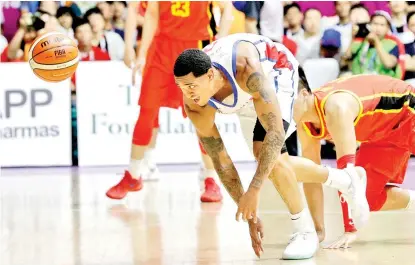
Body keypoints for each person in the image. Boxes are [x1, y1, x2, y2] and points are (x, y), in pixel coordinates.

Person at [173, 33, 370, 260]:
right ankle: (346, 180)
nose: (187, 94)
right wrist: (249, 215)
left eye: (190, 86)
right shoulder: (195, 105)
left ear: (209, 75)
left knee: (269, 154)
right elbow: (221, 160)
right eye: (181, 87)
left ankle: (304, 231)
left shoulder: (245, 68)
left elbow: (275, 135)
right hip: (247, 96)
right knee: (267, 159)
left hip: (276, 73)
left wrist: (255, 190)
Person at [106, 1, 233, 202]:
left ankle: (210, 179)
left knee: (201, 118)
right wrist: (142, 54)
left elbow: (228, 11)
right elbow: (152, 15)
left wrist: (220, 43)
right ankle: (133, 175)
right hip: (161, 49)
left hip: (196, 48)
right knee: (147, 112)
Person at [293, 74, 415, 249]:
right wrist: (319, 231)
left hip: (408, 111)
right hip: (381, 133)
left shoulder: (336, 107)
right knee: (367, 198)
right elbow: (312, 176)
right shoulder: (304, 121)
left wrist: (350, 229)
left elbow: (347, 175)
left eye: (288, 99)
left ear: (304, 94)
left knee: (350, 182)